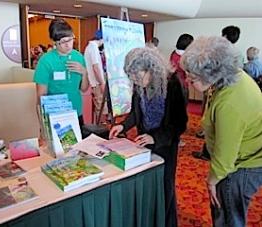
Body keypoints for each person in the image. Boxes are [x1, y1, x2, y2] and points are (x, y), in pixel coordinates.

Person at [181, 36, 262, 227]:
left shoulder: (230, 103)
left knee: (227, 216)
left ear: (211, 73)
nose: (187, 81)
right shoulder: (235, 77)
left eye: (192, 77)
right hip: (246, 158)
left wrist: (211, 181)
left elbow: (225, 159)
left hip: (241, 166)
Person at [109, 47, 188, 227]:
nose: (135, 81)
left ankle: (167, 222)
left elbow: (179, 123)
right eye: (132, 78)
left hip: (166, 145)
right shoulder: (139, 85)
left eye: (138, 76)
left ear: (151, 69)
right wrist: (123, 125)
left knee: (165, 186)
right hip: (144, 141)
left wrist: (156, 138)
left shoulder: (174, 84)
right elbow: (137, 113)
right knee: (148, 185)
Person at [193, 25, 243, 160]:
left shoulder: (220, 52)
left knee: (212, 120)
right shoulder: (239, 53)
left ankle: (208, 152)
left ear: (225, 36)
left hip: (218, 90)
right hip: (230, 93)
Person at [33, 19, 89, 127]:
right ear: (54, 42)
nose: (68, 45)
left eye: (70, 40)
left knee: (79, 143)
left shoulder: (79, 57)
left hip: (76, 112)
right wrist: (43, 125)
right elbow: (41, 96)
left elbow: (84, 89)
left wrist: (84, 72)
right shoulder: (46, 61)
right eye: (63, 42)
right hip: (55, 116)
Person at [84, 30, 107, 124]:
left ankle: (101, 127)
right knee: (101, 107)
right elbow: (96, 67)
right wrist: (102, 82)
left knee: (100, 107)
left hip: (95, 82)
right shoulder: (93, 47)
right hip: (97, 83)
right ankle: (102, 128)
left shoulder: (91, 47)